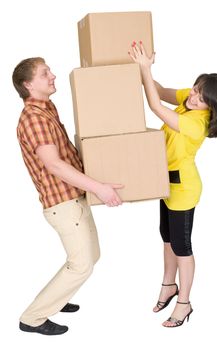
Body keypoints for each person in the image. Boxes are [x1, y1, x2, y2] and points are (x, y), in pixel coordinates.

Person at [13, 57, 123, 335]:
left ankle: (57, 298)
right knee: (81, 264)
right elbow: (54, 164)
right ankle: (33, 318)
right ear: (28, 84)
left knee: (90, 256)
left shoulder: (47, 108)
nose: (53, 75)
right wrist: (99, 187)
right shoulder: (34, 118)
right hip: (62, 203)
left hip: (74, 197)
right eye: (44, 73)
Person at [129, 42, 217, 328]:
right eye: (196, 89)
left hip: (183, 188)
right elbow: (160, 91)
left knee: (182, 246)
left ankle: (184, 302)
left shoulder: (197, 124)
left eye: (201, 98)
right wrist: (141, 69)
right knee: (166, 237)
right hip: (164, 181)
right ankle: (168, 285)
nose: (194, 97)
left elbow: (154, 104)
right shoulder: (192, 96)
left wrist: (144, 69)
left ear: (212, 108)